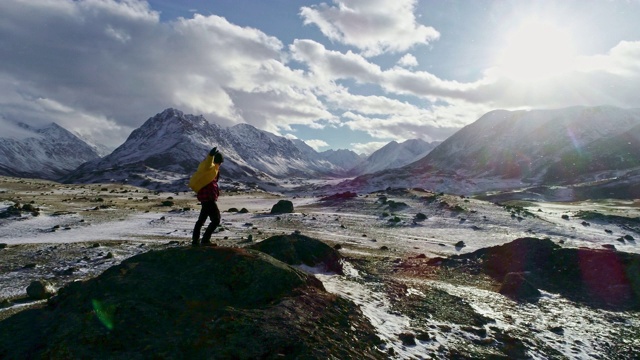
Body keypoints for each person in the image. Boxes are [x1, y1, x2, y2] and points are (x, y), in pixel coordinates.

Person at [189, 147, 224, 246]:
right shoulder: (209, 167)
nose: (220, 164)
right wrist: (210, 156)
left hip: (206, 198)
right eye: (220, 162)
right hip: (208, 198)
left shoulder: (210, 171)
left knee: (201, 220)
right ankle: (205, 240)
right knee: (216, 220)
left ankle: (195, 240)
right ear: (217, 161)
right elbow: (208, 163)